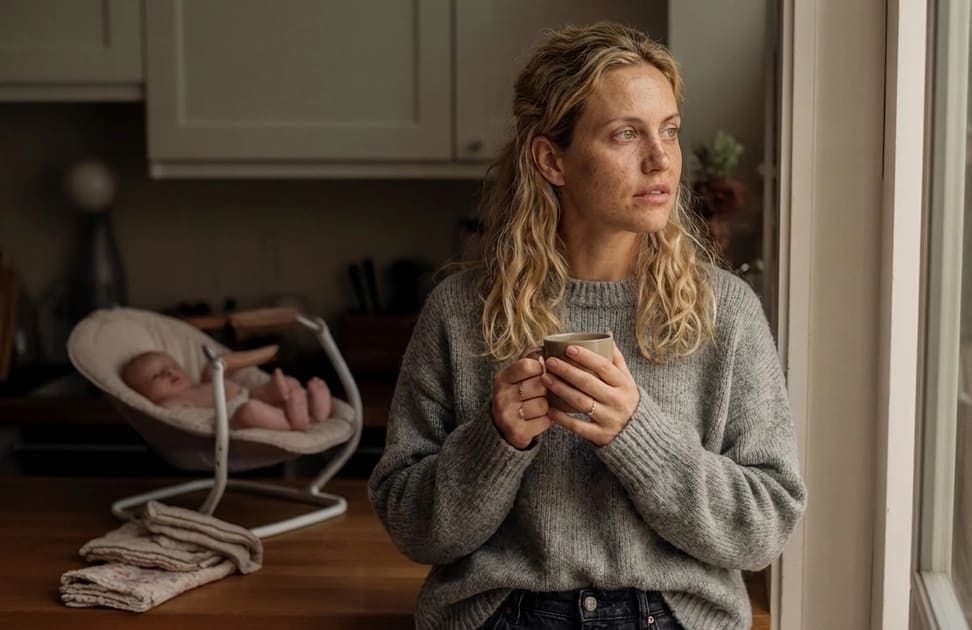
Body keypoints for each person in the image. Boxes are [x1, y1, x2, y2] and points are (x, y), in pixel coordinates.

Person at [368, 22, 805, 630]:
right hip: (502, 615)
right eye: (626, 133)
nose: (660, 159)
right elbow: (412, 528)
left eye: (670, 131)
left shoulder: (725, 312)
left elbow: (763, 531)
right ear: (552, 159)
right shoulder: (460, 309)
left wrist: (638, 435)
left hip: (671, 618)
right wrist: (495, 442)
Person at [122, 350, 331, 431]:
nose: (169, 373)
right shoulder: (170, 403)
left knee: (288, 383)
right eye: (157, 376)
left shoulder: (201, 382)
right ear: (144, 394)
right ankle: (295, 422)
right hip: (232, 419)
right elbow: (173, 417)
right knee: (250, 411)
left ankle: (315, 411)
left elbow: (224, 367)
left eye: (172, 366)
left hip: (251, 394)